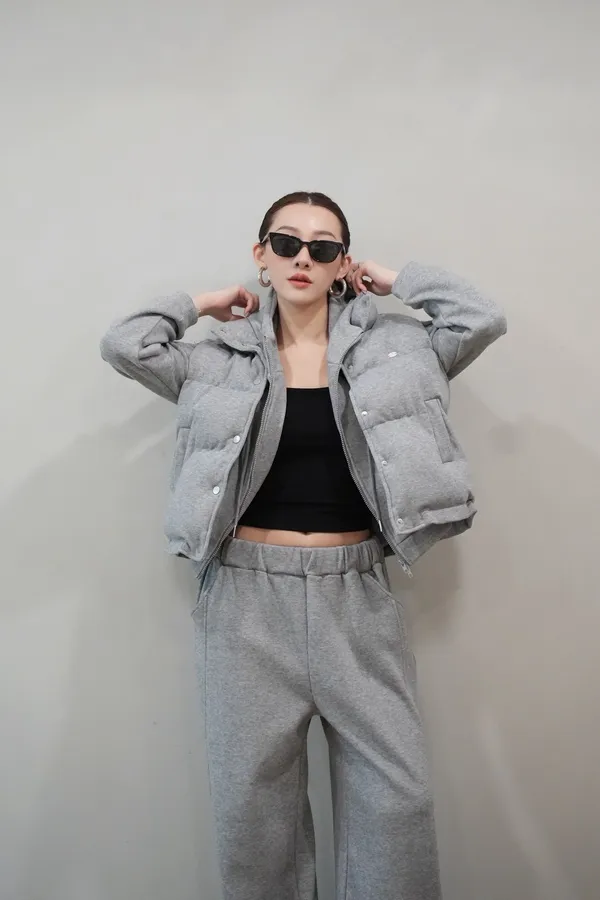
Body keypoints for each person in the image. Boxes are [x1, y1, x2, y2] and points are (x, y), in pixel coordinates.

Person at [100, 190, 506, 900]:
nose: (302, 259)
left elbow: (480, 318)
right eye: (285, 243)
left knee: (397, 802)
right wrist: (204, 302)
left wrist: (394, 280)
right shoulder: (216, 359)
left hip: (357, 592)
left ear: (342, 262)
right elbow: (126, 344)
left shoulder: (398, 348)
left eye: (323, 248)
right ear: (261, 255)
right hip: (245, 601)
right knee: (255, 816)